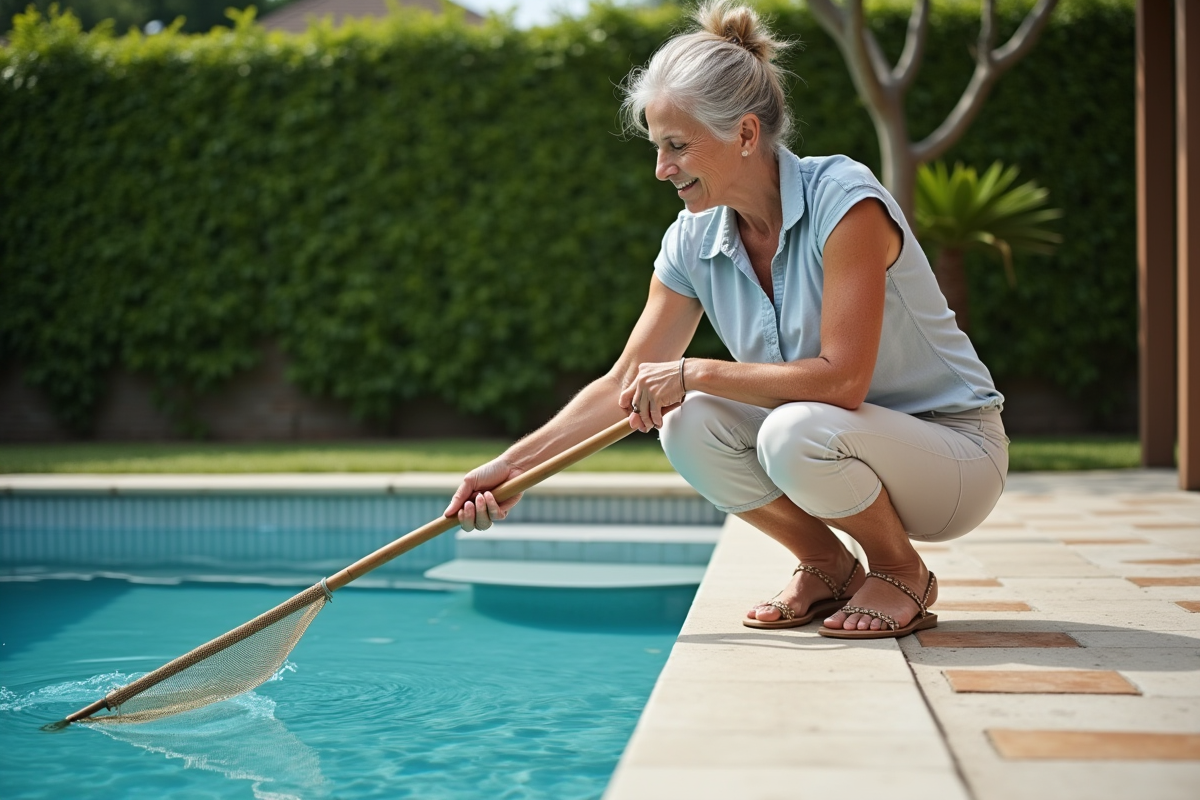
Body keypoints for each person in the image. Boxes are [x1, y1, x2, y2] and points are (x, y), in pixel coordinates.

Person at [443, 0, 1008, 640]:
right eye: (658, 148)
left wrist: (696, 371)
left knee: (790, 430)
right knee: (687, 424)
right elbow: (626, 379)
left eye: (678, 146)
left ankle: (900, 570)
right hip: (837, 444)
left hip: (953, 456)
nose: (662, 169)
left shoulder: (845, 203)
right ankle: (826, 565)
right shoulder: (691, 240)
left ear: (743, 135)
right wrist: (513, 469)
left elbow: (842, 382)